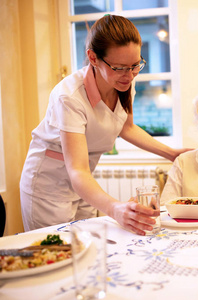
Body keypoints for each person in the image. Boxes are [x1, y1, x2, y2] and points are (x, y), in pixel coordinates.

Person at [20, 15, 188, 234]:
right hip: (49, 187)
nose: (129, 75)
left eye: (135, 65)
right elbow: (77, 170)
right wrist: (115, 208)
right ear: (93, 57)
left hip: (84, 184)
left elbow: (126, 128)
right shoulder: (69, 97)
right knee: (59, 254)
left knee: (89, 246)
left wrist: (171, 153)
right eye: (119, 67)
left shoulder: (123, 83)